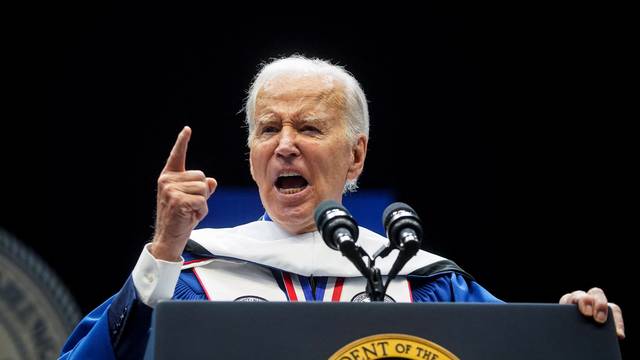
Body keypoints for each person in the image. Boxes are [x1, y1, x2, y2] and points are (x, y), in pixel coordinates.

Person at [59, 56, 625, 359]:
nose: (284, 144)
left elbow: (518, 349)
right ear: (252, 154)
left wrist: (575, 323)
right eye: (267, 129)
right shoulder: (192, 274)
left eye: (308, 126)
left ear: (355, 157)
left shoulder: (422, 281)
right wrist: (164, 248)